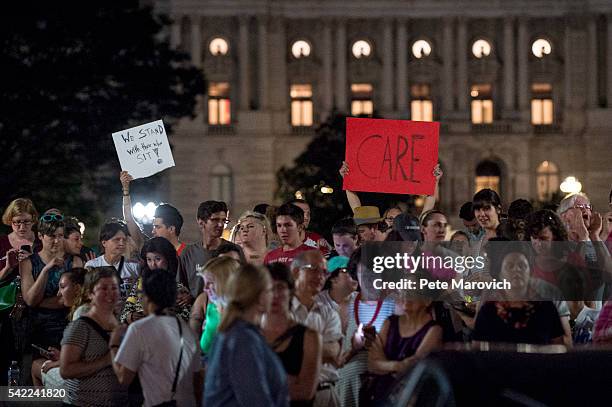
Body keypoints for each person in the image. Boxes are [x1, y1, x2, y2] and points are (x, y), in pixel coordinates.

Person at [111, 268, 203, 407]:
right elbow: (197, 381)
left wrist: (114, 344)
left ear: (147, 297)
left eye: (140, 294)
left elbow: (123, 379)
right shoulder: (187, 330)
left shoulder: (139, 329)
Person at [204, 264, 289, 407]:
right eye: (270, 290)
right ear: (260, 297)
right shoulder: (243, 339)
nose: (273, 296)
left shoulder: (235, 332)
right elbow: (255, 399)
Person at [59, 267, 128, 406]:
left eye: (114, 288)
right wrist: (106, 360)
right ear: (90, 293)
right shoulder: (81, 325)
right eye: (103, 289)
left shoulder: (120, 323)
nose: (110, 295)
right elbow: (66, 370)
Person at [336, 260, 395, 407]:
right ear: (356, 275)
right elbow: (339, 353)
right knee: (350, 371)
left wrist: (376, 343)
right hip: (351, 366)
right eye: (364, 274)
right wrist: (355, 347)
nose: (369, 280)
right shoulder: (347, 304)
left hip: (385, 363)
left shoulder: (393, 302)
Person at [262, 263, 322, 406]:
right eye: (268, 288)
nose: (274, 295)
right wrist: (287, 380)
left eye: (280, 287)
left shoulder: (309, 337)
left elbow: (305, 392)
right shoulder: (250, 334)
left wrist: (257, 380)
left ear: (291, 291)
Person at [365, 296, 442, 405]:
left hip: (407, 400)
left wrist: (383, 363)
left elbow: (413, 371)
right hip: (379, 395)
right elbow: (371, 364)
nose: (406, 296)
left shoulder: (434, 330)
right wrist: (396, 366)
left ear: (427, 300)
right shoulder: (389, 322)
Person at [290, 251, 342, 407]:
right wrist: (320, 350)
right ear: (296, 271)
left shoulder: (329, 313)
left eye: (324, 272)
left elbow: (333, 351)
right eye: (314, 269)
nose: (320, 276)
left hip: (326, 394)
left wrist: (292, 348)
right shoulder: (280, 312)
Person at [20, 215, 75, 352]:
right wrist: (45, 270)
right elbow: (31, 300)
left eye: (60, 236)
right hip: (36, 330)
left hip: (68, 328)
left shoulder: (73, 262)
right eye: (51, 236)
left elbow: (72, 299)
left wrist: (40, 302)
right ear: (40, 236)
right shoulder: (28, 263)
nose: (56, 241)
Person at [0, 198, 40, 382]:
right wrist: (8, 267)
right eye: (16, 222)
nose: (21, 227)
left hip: (34, 305)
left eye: (26, 221)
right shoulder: (2, 242)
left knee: (29, 355)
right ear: (10, 221)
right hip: (5, 308)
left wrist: (33, 262)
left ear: (33, 220)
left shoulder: (41, 242)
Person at [31, 267, 86, 387]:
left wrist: (54, 363)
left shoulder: (81, 313)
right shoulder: (92, 308)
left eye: (62, 287)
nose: (58, 293)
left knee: (36, 365)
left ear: (77, 288)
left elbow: (82, 360)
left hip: (81, 383)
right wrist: (61, 356)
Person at [121, 237, 191, 324]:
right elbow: (126, 309)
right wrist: (130, 317)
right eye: (149, 260)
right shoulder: (141, 283)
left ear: (168, 259)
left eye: (158, 259)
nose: (153, 264)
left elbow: (186, 315)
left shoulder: (178, 287)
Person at [178, 200, 232, 300]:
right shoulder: (188, 254)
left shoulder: (233, 251)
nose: (221, 225)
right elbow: (180, 287)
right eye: (215, 220)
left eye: (224, 221)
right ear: (201, 222)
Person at [193, 256, 240, 358]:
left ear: (227, 282)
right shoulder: (211, 308)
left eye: (210, 283)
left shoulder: (241, 316)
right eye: (205, 283)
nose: (205, 288)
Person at [85, 220, 140, 292]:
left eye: (124, 240)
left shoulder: (133, 266)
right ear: (104, 243)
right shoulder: (93, 265)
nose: (122, 243)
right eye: (117, 239)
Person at [316, 256, 357, 335]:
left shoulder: (362, 300)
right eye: (346, 270)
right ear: (333, 278)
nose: (354, 274)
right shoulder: (318, 302)